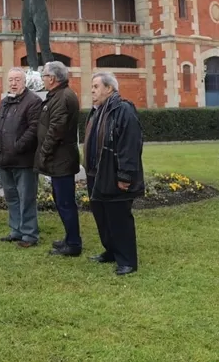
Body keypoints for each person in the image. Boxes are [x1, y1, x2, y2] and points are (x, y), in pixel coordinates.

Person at [84, 72, 144, 276]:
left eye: (96, 86)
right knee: (102, 216)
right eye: (92, 87)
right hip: (96, 173)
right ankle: (111, 251)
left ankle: (127, 260)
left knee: (119, 217)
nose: (92, 90)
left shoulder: (123, 109)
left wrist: (125, 175)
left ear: (109, 88)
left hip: (113, 173)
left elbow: (130, 145)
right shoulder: (98, 111)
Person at [36, 61, 82, 256]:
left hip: (61, 158)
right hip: (60, 158)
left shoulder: (62, 97)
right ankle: (70, 238)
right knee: (62, 201)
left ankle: (73, 244)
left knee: (65, 202)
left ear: (53, 79)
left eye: (44, 76)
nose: (42, 79)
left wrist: (43, 153)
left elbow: (56, 130)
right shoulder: (59, 95)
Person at [0, 67, 43, 248]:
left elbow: (34, 128)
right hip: (4, 159)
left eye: (17, 80)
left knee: (26, 197)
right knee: (12, 197)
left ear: (24, 81)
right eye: (11, 80)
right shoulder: (4, 102)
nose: (13, 83)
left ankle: (29, 234)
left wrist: (17, 146)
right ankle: (16, 230)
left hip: (24, 160)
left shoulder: (33, 101)